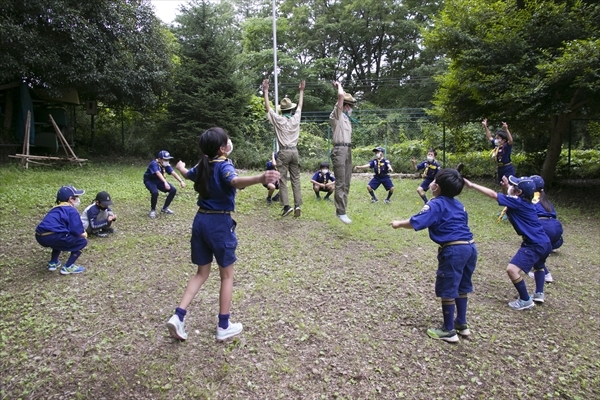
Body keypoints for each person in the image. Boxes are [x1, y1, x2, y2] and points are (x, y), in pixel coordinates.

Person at [166, 127, 280, 341]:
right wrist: (261, 177)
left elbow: (187, 174)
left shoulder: (203, 165)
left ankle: (178, 316)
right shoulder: (224, 166)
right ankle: (223, 326)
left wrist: (180, 167)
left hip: (200, 221)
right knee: (226, 276)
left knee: (201, 273)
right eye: (227, 140)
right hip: (219, 223)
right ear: (222, 148)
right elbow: (234, 181)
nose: (230, 142)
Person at [390, 169, 477, 343]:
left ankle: (448, 330)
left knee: (448, 288)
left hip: (453, 250)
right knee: (461, 286)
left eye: (433, 180)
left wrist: (398, 223)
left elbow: (417, 222)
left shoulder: (436, 204)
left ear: (435, 186)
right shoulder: (459, 204)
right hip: (470, 247)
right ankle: (461, 323)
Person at [464, 175, 552, 308]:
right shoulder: (527, 202)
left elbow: (493, 195)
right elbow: (510, 200)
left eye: (514, 187)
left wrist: (472, 185)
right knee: (539, 266)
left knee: (512, 270)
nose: (511, 187)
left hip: (534, 244)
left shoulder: (517, 203)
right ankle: (539, 293)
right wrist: (506, 189)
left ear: (519, 192)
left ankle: (525, 300)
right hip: (545, 242)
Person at [262, 79, 304, 218]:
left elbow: (268, 108)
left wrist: (266, 90)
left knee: (283, 180)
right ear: (290, 109)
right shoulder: (295, 118)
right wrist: (301, 91)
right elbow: (300, 106)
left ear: (282, 110)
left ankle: (287, 206)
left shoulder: (278, 120)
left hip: (284, 151)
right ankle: (298, 205)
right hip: (295, 151)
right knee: (296, 179)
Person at [35, 185, 88, 275]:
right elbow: (77, 231)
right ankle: (68, 267)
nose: (78, 200)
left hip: (40, 236)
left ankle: (53, 262)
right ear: (71, 199)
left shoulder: (55, 209)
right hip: (54, 236)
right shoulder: (71, 210)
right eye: (76, 197)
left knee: (61, 236)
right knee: (82, 241)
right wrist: (84, 234)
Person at [527, 175, 564, 283]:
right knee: (541, 247)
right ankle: (547, 250)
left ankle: (545, 273)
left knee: (533, 248)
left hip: (544, 227)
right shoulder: (545, 200)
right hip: (556, 228)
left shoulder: (533, 199)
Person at [330, 81, 356, 224]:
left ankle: (343, 210)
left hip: (347, 149)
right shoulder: (337, 115)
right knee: (340, 182)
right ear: (345, 105)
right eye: (349, 105)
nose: (351, 108)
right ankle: (340, 211)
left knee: (347, 182)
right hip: (339, 150)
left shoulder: (346, 118)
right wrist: (339, 86)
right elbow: (340, 95)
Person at [143, 150, 186, 218]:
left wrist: (181, 181)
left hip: (159, 180)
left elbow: (173, 173)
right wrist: (165, 182)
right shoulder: (154, 164)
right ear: (160, 159)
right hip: (150, 180)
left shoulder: (165, 165)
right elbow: (158, 173)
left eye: (168, 159)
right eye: (165, 159)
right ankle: (153, 210)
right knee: (155, 192)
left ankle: (165, 208)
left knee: (173, 190)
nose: (167, 161)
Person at [483, 119, 515, 188]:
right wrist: (485, 126)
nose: (496, 140)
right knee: (502, 184)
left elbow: (511, 140)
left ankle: (510, 197)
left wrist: (506, 129)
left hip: (507, 168)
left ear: (503, 140)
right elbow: (489, 137)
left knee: (508, 186)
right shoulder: (496, 146)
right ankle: (504, 197)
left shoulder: (506, 146)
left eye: (498, 138)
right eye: (496, 138)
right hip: (500, 168)